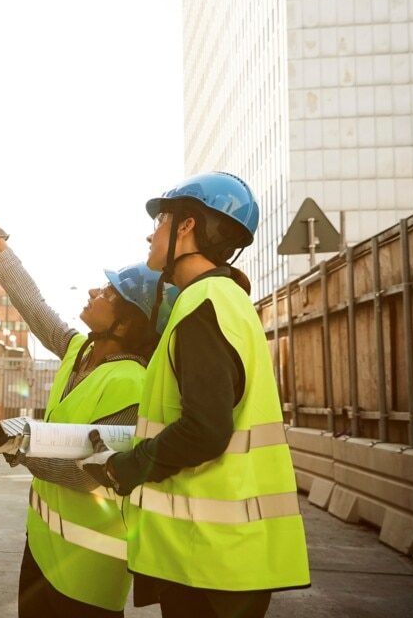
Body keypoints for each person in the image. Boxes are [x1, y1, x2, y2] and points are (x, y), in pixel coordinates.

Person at [83, 172, 310, 618]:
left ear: (187, 226)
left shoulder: (202, 306)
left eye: (162, 219)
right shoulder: (226, 300)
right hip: (223, 555)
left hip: (207, 559)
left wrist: (127, 467)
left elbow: (206, 429)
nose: (152, 232)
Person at [0, 193, 177, 618]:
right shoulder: (79, 351)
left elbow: (91, 474)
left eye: (109, 293)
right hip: (40, 550)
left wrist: (15, 445)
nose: (95, 290)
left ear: (128, 323)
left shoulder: (133, 382)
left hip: (89, 572)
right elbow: (34, 307)